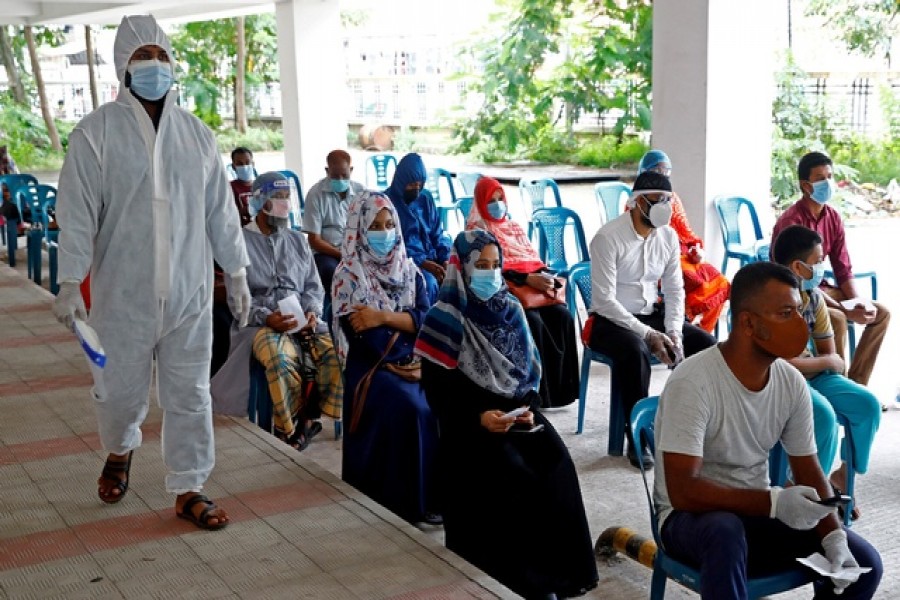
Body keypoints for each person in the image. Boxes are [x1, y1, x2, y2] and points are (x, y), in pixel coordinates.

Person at [52, 15, 251, 531]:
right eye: (144, 56)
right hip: (122, 294)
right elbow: (76, 213)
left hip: (189, 292)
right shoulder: (95, 133)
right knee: (118, 393)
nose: (155, 65)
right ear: (124, 66)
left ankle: (190, 486)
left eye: (162, 55)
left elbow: (220, 212)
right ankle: (120, 449)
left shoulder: (197, 136)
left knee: (190, 393)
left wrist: (239, 270)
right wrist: (71, 281)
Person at [654, 261, 882, 600]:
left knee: (865, 565)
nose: (800, 325)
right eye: (786, 313)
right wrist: (774, 502)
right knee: (724, 531)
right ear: (749, 324)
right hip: (690, 521)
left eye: (800, 312)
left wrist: (834, 536)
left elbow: (808, 471)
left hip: (755, 516)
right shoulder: (693, 382)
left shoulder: (790, 383)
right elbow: (684, 491)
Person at [417, 230, 599, 600]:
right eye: (480, 266)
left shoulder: (510, 307)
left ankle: (561, 574)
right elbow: (438, 391)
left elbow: (527, 373)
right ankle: (524, 579)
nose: (490, 273)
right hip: (468, 422)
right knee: (508, 472)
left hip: (516, 415)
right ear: (462, 268)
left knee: (555, 460)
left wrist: (527, 410)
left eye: (496, 265)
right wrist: (479, 417)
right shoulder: (445, 318)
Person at [587, 170, 716, 468]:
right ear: (637, 202)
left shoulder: (668, 236)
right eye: (656, 200)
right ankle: (638, 436)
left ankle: (696, 426)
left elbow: (674, 289)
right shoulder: (608, 238)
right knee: (635, 351)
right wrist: (648, 335)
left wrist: (674, 332)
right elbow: (604, 301)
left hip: (651, 314)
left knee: (706, 344)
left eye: (668, 201)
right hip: (611, 320)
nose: (664, 207)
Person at [211, 172, 343, 450]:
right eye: (278, 197)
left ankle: (308, 419)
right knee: (279, 358)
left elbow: (313, 286)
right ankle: (288, 427)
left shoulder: (297, 240)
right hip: (259, 324)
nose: (284, 204)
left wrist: (311, 313)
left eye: (287, 198)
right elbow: (238, 297)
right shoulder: (240, 242)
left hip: (301, 320)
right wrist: (266, 317)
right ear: (260, 202)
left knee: (332, 353)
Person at [332, 191, 439, 525]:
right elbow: (363, 333)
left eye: (389, 223)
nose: (384, 231)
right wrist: (401, 334)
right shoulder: (348, 276)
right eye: (375, 225)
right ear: (359, 229)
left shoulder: (410, 271)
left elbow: (425, 319)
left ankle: (435, 498)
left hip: (414, 361)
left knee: (445, 400)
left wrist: (384, 317)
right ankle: (405, 502)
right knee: (412, 407)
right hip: (372, 367)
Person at [772, 225, 881, 518]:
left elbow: (831, 356)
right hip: (781, 379)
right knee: (822, 414)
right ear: (798, 266)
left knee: (867, 405)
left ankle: (841, 478)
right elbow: (783, 365)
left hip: (814, 374)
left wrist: (825, 363)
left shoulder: (814, 298)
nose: (822, 267)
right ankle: (810, 494)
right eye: (818, 261)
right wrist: (825, 363)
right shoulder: (772, 299)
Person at [771, 151, 890, 387]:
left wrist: (856, 302)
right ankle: (838, 383)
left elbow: (843, 268)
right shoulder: (791, 221)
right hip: (801, 291)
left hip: (826, 289)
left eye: (830, 176)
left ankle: (857, 384)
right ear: (806, 185)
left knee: (881, 313)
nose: (828, 183)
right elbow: (793, 279)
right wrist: (844, 311)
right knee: (835, 318)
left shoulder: (833, 217)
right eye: (820, 178)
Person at [466, 175, 579, 408]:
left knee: (563, 316)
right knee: (532, 322)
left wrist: (545, 277)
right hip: (503, 291)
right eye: (491, 200)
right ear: (480, 202)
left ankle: (562, 393)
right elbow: (492, 272)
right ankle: (540, 392)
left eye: (500, 198)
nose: (498, 205)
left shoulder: (513, 227)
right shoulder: (477, 232)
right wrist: (528, 279)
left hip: (531, 288)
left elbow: (532, 258)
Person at [637, 150, 729, 333]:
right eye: (657, 172)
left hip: (682, 257)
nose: (662, 177)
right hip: (655, 261)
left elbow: (686, 233)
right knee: (691, 281)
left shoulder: (673, 200)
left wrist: (696, 251)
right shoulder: (637, 202)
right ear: (644, 173)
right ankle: (683, 328)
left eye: (666, 172)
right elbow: (639, 242)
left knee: (720, 282)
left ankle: (704, 332)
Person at [384, 152, 450, 304]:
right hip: (403, 263)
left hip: (432, 259)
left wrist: (445, 258)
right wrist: (421, 262)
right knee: (428, 283)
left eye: (420, 185)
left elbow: (437, 234)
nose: (416, 189)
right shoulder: (386, 203)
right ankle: (425, 325)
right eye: (412, 185)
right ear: (401, 181)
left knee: (457, 280)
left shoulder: (425, 199)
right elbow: (390, 245)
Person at [302, 149, 365, 302]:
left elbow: (367, 228)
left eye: (345, 175)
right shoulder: (315, 194)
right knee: (333, 271)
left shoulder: (361, 191)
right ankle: (337, 313)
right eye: (335, 175)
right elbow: (314, 240)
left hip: (356, 250)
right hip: (327, 253)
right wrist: (342, 254)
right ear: (327, 171)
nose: (340, 179)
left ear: (351, 170)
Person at [229, 146, 255, 226]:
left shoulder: (261, 186)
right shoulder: (229, 188)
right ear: (233, 167)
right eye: (240, 164)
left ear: (253, 164)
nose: (244, 166)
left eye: (247, 162)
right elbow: (227, 214)